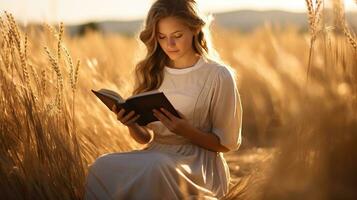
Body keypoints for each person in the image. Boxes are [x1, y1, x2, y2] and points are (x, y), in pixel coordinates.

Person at [84, 0, 242, 199]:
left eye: (177, 36)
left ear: (195, 29)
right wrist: (131, 124)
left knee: (156, 167)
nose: (170, 44)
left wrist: (187, 131)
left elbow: (226, 144)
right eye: (162, 37)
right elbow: (146, 138)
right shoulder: (150, 71)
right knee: (101, 166)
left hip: (198, 163)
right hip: (155, 154)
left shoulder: (218, 75)